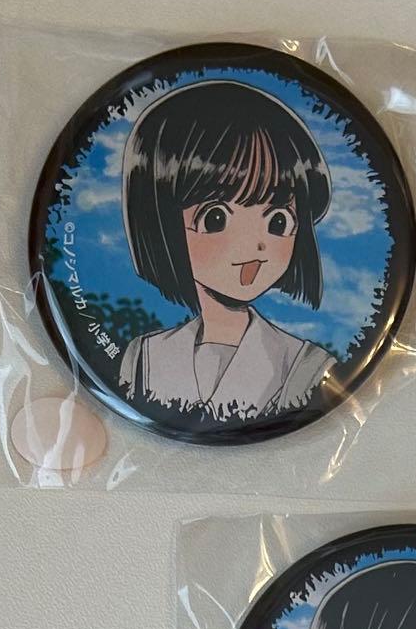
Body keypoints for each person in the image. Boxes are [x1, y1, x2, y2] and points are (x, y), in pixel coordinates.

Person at [117, 80, 335, 421]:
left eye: (278, 220)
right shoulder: (141, 358)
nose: (255, 244)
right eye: (216, 218)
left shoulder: (307, 367)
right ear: (161, 225)